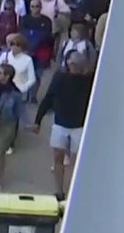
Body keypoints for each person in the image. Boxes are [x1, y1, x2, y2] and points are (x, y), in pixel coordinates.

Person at [30, 51, 94, 201]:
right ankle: (59, 191)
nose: (75, 67)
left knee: (76, 160)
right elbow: (48, 98)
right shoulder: (60, 78)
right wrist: (37, 120)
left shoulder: (88, 81)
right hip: (61, 123)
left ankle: (73, 190)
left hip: (79, 125)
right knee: (58, 158)